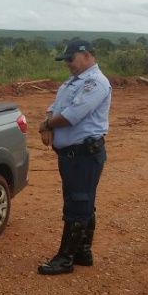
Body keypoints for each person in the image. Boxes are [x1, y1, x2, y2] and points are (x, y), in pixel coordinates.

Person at [38, 39, 111, 275]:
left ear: (86, 55)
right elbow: (55, 105)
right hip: (72, 155)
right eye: (66, 60)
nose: (68, 63)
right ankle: (82, 252)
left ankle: (66, 258)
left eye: (71, 59)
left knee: (79, 203)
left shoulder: (95, 83)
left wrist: (46, 124)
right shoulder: (73, 81)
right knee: (81, 201)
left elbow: (72, 115)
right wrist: (48, 123)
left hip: (84, 155)